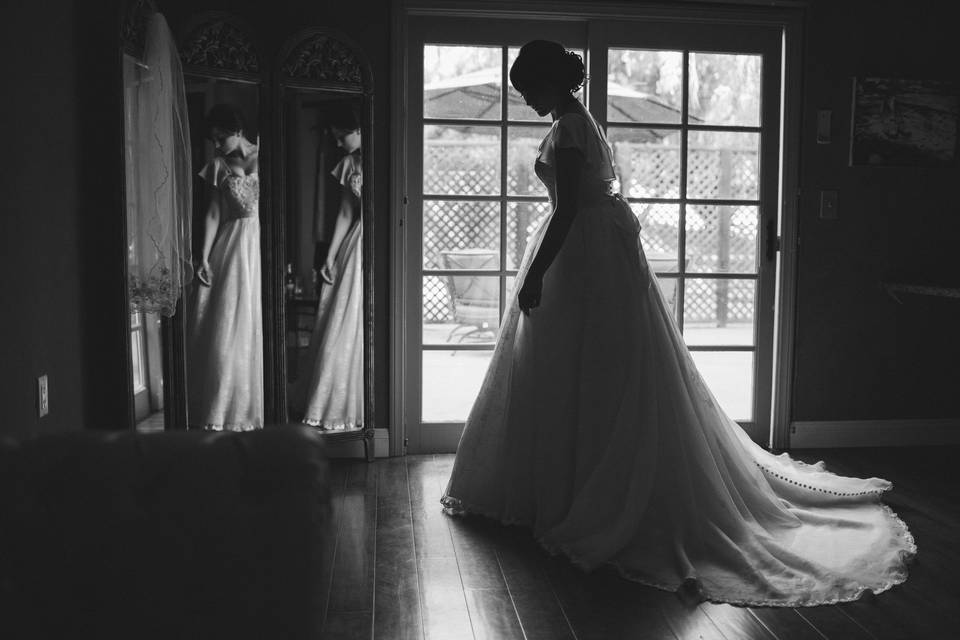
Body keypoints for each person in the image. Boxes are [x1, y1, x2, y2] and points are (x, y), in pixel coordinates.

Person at [440, 40, 915, 607]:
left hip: (582, 258)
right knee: (591, 369)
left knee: (580, 368)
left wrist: (538, 273)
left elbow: (567, 209)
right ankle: (565, 488)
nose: (525, 100)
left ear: (546, 82)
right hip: (599, 252)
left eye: (528, 90)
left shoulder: (569, 128)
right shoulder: (580, 121)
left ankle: (583, 494)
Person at [187, 103, 263, 430]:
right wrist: (202, 255)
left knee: (255, 321)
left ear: (237, 131)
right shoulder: (217, 165)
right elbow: (213, 214)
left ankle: (256, 405)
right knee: (227, 323)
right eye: (214, 140)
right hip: (232, 244)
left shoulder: (264, 156)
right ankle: (224, 405)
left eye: (221, 138)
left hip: (260, 244)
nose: (217, 145)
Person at [294, 103, 364, 431]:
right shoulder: (349, 163)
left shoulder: (388, 154)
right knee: (344, 317)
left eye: (341, 136)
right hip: (357, 241)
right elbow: (346, 212)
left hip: (384, 240)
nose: (338, 143)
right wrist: (331, 256)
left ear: (358, 129)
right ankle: (336, 401)